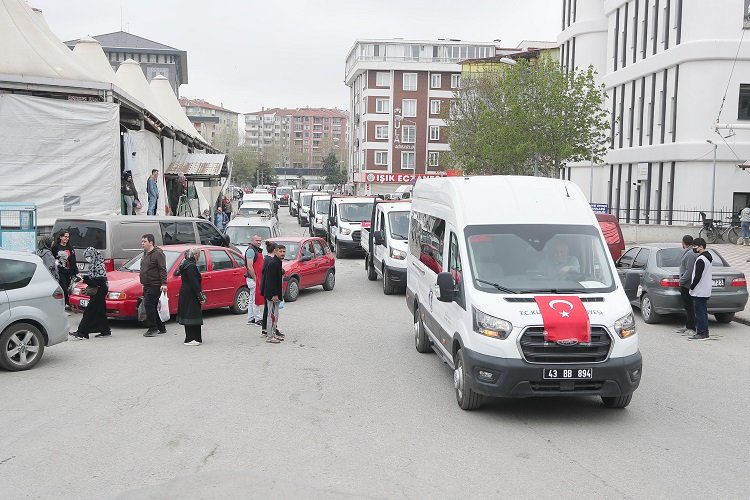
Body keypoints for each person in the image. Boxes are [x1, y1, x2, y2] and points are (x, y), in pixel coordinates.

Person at [70, 248, 112, 339]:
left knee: (89, 312)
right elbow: (93, 278)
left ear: (93, 255)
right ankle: (105, 330)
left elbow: (99, 282)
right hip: (98, 291)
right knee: (100, 312)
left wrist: (84, 280)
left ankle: (82, 332)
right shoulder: (94, 264)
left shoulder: (99, 265)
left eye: (89, 256)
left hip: (99, 291)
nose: (87, 259)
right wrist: (83, 277)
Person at [139, 233, 168, 337]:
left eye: (144, 241)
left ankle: (153, 328)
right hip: (147, 284)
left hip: (155, 284)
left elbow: (162, 269)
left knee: (149, 305)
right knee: (154, 306)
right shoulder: (145, 253)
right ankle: (161, 327)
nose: (142, 244)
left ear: (151, 242)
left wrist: (164, 283)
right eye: (142, 241)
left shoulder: (158, 253)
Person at [176, 248, 206, 346]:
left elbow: (177, 272)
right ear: (195, 255)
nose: (199, 257)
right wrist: (201, 297)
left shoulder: (185, 264)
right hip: (191, 293)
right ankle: (190, 339)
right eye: (198, 254)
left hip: (186, 292)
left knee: (190, 314)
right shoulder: (191, 266)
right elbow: (194, 283)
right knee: (192, 315)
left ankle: (196, 338)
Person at [688, 237, 713, 341]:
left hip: (699, 290)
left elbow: (697, 276)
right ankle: (705, 332)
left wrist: (691, 287)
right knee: (703, 312)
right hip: (705, 289)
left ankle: (701, 333)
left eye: (695, 246)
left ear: (701, 247)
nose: (694, 248)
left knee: (699, 313)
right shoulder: (708, 256)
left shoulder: (701, 259)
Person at [262, 244, 285, 344]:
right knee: (271, 315)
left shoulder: (278, 262)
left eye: (284, 252)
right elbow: (270, 281)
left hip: (276, 294)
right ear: (275, 251)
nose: (282, 253)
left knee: (275, 315)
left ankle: (274, 333)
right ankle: (270, 336)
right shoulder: (273, 263)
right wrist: (274, 295)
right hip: (272, 294)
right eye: (280, 251)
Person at [51, 230, 79, 310]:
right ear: (60, 237)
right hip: (60, 271)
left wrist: (76, 272)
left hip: (69, 271)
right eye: (65, 236)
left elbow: (73, 260)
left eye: (68, 237)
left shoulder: (69, 247)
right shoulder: (56, 247)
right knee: (63, 288)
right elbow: (52, 257)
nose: (66, 238)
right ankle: (65, 303)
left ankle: (68, 303)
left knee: (68, 288)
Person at [677, 235, 698, 336]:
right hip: (687, 283)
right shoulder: (690, 251)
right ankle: (688, 325)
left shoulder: (690, 253)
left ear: (683, 242)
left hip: (687, 284)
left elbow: (689, 270)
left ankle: (692, 327)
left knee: (689, 307)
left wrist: (681, 280)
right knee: (687, 306)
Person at [245, 234, 264, 326]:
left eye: (260, 240)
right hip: (253, 278)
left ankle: (251, 318)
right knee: (256, 299)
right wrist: (255, 278)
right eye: (257, 240)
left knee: (252, 298)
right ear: (252, 241)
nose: (259, 242)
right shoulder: (251, 251)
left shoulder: (254, 250)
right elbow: (250, 266)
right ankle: (257, 319)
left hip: (254, 278)